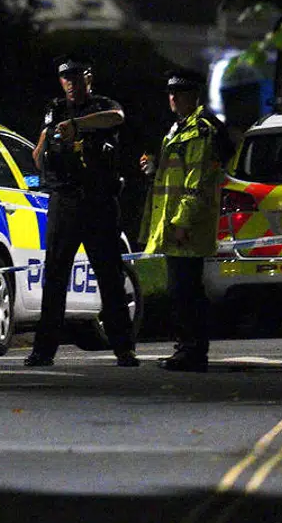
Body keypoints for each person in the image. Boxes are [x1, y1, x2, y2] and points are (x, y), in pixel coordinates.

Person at [24, 56, 139, 367]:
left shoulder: (101, 105)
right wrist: (48, 141)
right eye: (66, 79)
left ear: (88, 78)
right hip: (65, 201)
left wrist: (76, 126)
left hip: (99, 201)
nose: (71, 84)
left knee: (109, 276)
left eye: (76, 78)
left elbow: (116, 117)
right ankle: (43, 351)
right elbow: (38, 158)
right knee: (56, 276)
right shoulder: (54, 110)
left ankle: (124, 349)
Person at [138, 69, 233, 372]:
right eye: (170, 94)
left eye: (179, 94)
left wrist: (181, 223)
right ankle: (188, 348)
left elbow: (197, 181)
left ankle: (191, 351)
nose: (173, 99)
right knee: (182, 291)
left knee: (185, 292)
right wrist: (154, 170)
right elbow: (175, 177)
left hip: (187, 226)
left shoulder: (199, 131)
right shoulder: (179, 129)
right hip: (176, 223)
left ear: (194, 96)